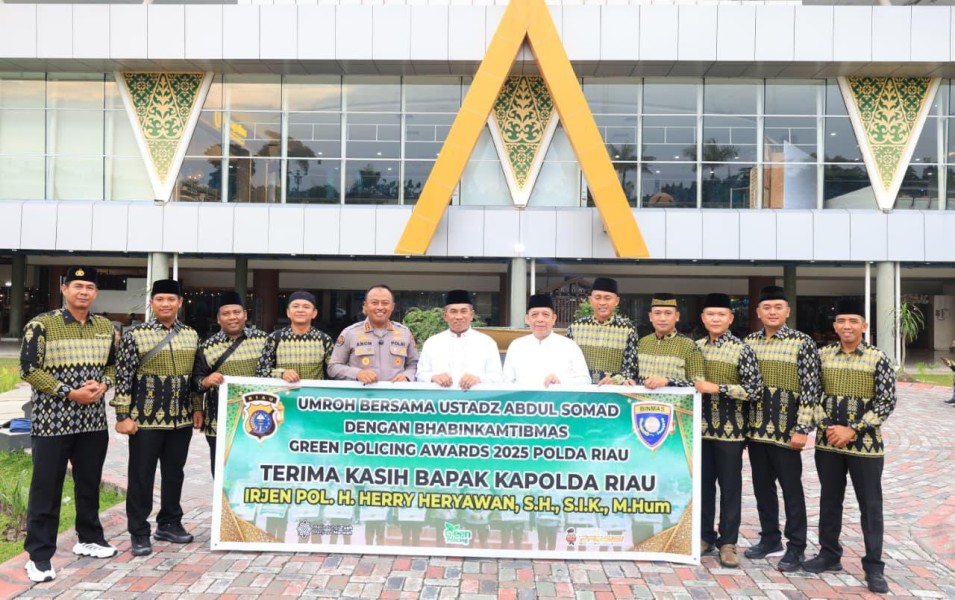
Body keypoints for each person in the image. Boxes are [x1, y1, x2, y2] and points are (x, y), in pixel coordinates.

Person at [19, 267, 118, 583]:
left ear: (96, 293)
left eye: (90, 287)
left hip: (92, 424)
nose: (84, 292)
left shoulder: (105, 327)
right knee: (46, 489)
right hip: (52, 424)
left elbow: (114, 367)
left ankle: (89, 538)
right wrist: (69, 392)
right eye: (78, 286)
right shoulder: (41, 325)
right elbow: (29, 370)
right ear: (64, 289)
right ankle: (39, 555)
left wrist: (103, 384)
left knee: (89, 485)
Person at [802, 298, 896, 594]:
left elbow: (886, 402)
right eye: (841, 321)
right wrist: (830, 428)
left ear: (864, 326)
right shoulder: (821, 355)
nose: (847, 326)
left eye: (853, 321)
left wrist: (852, 428)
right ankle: (829, 555)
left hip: (866, 445)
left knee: (870, 505)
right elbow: (810, 394)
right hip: (828, 443)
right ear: (834, 326)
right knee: (829, 500)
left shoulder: (878, 358)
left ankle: (874, 566)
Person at [112, 279, 200, 557]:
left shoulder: (191, 334)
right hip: (145, 419)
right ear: (151, 302)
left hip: (181, 419)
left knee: (174, 474)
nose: (165, 304)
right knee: (141, 476)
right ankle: (139, 532)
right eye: (160, 299)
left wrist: (197, 408)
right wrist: (122, 415)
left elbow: (195, 376)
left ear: (180, 303)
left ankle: (170, 523)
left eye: (171, 299)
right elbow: (123, 378)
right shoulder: (135, 335)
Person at [743, 285, 821, 572]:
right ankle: (770, 538)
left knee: (791, 489)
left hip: (788, 431)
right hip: (756, 429)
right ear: (758, 312)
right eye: (767, 307)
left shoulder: (803, 343)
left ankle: (796, 546)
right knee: (762, 487)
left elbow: (811, 389)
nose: (772, 312)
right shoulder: (749, 342)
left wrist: (803, 428)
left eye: (778, 307)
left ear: (787, 311)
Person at [693, 293, 763, 568]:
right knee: (703, 486)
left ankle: (728, 542)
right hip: (699, 429)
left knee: (730, 488)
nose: (715, 319)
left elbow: (754, 391)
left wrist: (719, 388)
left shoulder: (742, 349)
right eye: (710, 314)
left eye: (721, 315)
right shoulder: (694, 348)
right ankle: (704, 536)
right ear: (703, 318)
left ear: (731, 318)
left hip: (731, 431)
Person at [192, 291, 267, 475]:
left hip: (258, 421)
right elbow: (195, 381)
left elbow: (274, 371)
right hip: (219, 421)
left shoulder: (264, 340)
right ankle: (221, 505)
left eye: (236, 312)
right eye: (226, 314)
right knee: (221, 471)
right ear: (218, 319)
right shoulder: (207, 347)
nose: (232, 317)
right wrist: (207, 382)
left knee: (254, 469)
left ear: (245, 315)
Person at [328, 285, 418, 383]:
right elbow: (333, 367)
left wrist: (407, 376)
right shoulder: (350, 333)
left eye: (385, 303)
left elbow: (414, 365)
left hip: (395, 396)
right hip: (362, 396)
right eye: (374, 303)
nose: (380, 307)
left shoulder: (404, 333)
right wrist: (357, 374)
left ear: (392, 306)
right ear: (365, 306)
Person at [416, 289, 503, 389]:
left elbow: (497, 377)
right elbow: (420, 375)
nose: (458, 317)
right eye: (453, 312)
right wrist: (433, 377)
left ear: (471, 315)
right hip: (440, 401)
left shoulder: (487, 343)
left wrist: (478, 378)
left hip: (476, 401)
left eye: (464, 311)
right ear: (445, 316)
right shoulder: (432, 343)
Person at [502, 294, 591, 387]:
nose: (540, 319)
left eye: (545, 315)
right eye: (534, 315)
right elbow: (506, 382)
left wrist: (561, 382)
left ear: (554, 319)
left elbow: (585, 380)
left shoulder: (569, 346)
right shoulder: (516, 346)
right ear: (527, 319)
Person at [566, 277, 638, 385]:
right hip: (581, 393)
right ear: (590, 300)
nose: (602, 302)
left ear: (616, 301)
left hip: (613, 394)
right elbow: (566, 363)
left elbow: (631, 368)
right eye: (597, 298)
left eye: (607, 298)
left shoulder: (628, 330)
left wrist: (614, 380)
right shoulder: (575, 327)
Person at [256, 291, 334, 382]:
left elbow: (333, 371)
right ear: (288, 312)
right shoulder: (274, 338)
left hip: (313, 394)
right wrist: (282, 373)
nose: (300, 310)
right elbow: (261, 370)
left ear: (314, 313)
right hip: (283, 394)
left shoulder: (324, 339)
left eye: (306, 307)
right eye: (295, 306)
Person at [635, 293, 704, 388]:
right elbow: (633, 376)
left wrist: (668, 381)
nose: (662, 318)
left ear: (677, 316)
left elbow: (699, 383)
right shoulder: (642, 342)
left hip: (675, 403)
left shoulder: (689, 346)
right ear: (650, 316)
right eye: (657, 313)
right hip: (642, 401)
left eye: (668, 313)